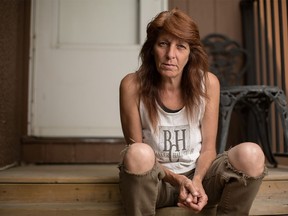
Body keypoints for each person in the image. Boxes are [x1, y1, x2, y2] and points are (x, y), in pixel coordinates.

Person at [118, 8, 267, 216]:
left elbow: (208, 149)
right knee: (137, 153)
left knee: (252, 155)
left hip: (199, 179)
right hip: (156, 181)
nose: (171, 55)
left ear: (191, 53)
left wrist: (195, 181)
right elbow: (136, 155)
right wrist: (178, 180)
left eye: (180, 46)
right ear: (152, 48)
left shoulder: (208, 83)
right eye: (163, 44)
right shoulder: (132, 86)